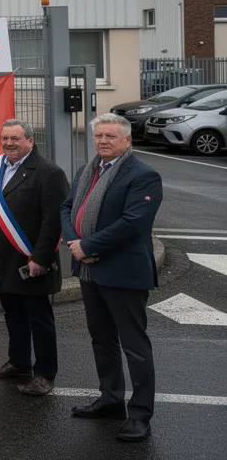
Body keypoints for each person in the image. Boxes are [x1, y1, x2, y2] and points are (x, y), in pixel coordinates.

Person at [60, 114, 162, 443]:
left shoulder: (143, 175)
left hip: (123, 272)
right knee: (101, 340)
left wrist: (88, 245)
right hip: (89, 270)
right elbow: (67, 207)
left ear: (127, 141)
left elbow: (133, 223)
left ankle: (141, 415)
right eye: (99, 135)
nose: (103, 141)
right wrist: (76, 244)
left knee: (135, 346)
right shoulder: (87, 170)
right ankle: (111, 399)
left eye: (111, 136)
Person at [0, 119, 69, 397]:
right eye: (5, 138)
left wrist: (40, 258)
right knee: (13, 313)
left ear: (30, 141)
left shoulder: (49, 172)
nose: (9, 144)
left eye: (15, 138)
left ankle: (44, 374)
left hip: (30, 259)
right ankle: (19, 363)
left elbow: (53, 221)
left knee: (39, 318)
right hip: (1, 256)